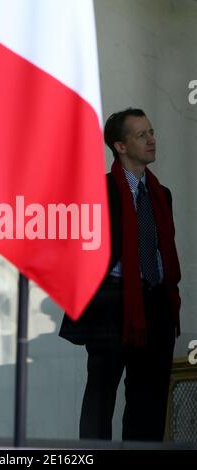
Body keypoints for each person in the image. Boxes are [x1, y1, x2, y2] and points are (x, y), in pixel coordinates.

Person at [59, 108, 181, 442]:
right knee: (101, 396)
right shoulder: (96, 191)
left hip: (154, 305)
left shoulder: (162, 194)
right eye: (141, 135)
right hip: (111, 304)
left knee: (149, 401)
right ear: (120, 146)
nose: (152, 139)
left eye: (151, 131)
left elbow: (161, 250)